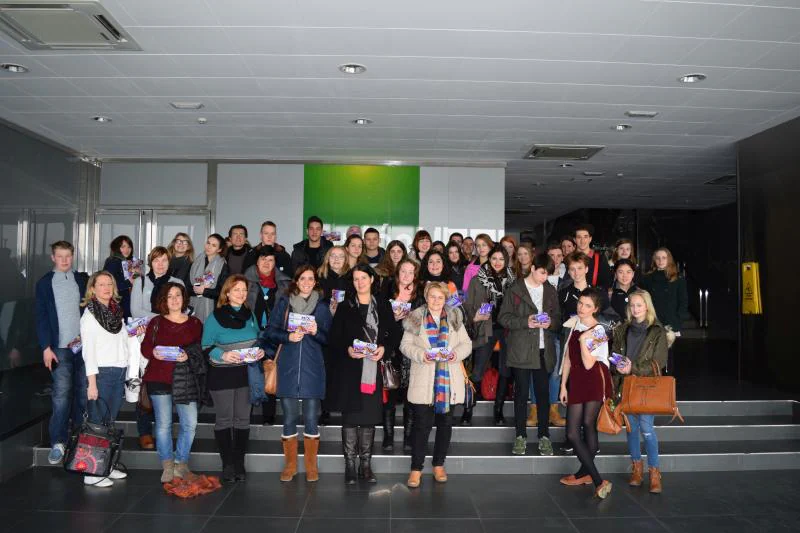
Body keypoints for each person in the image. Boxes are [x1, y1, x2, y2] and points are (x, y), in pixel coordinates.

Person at [400, 282, 472, 488]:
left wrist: (455, 354)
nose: (436, 301)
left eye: (440, 297)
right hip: (423, 379)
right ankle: (416, 469)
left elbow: (466, 344)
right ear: (426, 296)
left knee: (445, 425)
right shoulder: (415, 317)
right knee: (421, 426)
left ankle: (439, 464)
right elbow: (405, 346)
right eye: (432, 296)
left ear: (445, 298)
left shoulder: (455, 317)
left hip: (448, 381)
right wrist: (422, 355)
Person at [327, 264, 395, 484]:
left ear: (372, 279)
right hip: (350, 370)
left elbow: (394, 333)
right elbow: (335, 338)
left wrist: (384, 348)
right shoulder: (345, 306)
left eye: (364, 278)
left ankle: (365, 465)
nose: (360, 282)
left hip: (373, 370)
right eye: (356, 279)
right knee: (350, 419)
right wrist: (347, 349)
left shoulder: (383, 304)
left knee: (368, 419)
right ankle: (349, 466)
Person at [267, 265, 333, 483]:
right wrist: (288, 337)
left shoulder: (322, 307)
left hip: (313, 368)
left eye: (310, 278)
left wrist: (316, 332)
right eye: (302, 278)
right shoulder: (284, 304)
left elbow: (329, 339)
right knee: (289, 417)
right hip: (288, 367)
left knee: (312, 418)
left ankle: (311, 466)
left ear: (315, 282)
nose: (306, 282)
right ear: (296, 281)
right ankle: (291, 465)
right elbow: (270, 331)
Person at [202, 274, 265, 482]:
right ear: (227, 293)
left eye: (244, 290)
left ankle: (239, 462)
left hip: (246, 374)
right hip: (222, 375)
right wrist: (223, 355)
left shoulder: (250, 315)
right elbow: (205, 346)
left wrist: (259, 351)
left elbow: (258, 339)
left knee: (243, 419)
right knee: (225, 419)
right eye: (236, 289)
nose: (241, 293)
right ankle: (227, 463)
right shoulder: (215, 317)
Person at [140, 282, 205, 483]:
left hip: (186, 379)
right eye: (170, 296)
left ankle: (181, 464)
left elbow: (200, 350)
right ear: (163, 300)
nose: (174, 299)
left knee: (190, 423)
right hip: (159, 378)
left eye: (178, 295)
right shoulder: (156, 322)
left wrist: (188, 356)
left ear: (184, 298)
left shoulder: (195, 324)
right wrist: (154, 353)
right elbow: (145, 348)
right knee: (163, 425)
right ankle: (167, 465)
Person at [499, 253, 560, 456]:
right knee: (521, 395)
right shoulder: (515, 289)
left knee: (543, 395)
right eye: (542, 272)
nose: (545, 277)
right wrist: (526, 321)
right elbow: (504, 318)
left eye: (548, 274)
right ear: (533, 268)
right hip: (521, 349)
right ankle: (520, 436)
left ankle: (544, 436)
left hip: (544, 349)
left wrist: (550, 323)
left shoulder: (550, 290)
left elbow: (558, 318)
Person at [35, 241, 88, 466]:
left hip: (84, 347)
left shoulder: (82, 280)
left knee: (83, 394)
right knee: (61, 394)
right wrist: (45, 347)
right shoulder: (45, 283)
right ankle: (58, 441)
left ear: (73, 256)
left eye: (68, 256)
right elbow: (41, 317)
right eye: (60, 256)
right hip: (59, 348)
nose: (65, 260)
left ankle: (79, 439)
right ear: (53, 257)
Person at [558, 288, 614, 499]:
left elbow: (589, 363)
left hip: (593, 380)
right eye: (580, 303)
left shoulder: (599, 331)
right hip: (577, 380)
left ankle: (597, 480)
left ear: (596, 309)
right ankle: (586, 473)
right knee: (577, 430)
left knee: (580, 429)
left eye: (587, 305)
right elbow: (568, 358)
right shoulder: (575, 324)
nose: (581, 308)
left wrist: (584, 341)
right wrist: (563, 385)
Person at [611, 289, 668, 494]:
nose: (635, 309)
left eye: (639, 305)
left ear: (647, 306)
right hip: (625, 385)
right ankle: (636, 468)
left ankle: (654, 472)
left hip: (646, 387)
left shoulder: (657, 331)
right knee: (631, 430)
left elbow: (658, 363)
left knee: (646, 428)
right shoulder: (622, 329)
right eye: (632, 305)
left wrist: (632, 367)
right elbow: (614, 355)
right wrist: (616, 365)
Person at [130, 246, 184, 450]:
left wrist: (167, 319)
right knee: (145, 385)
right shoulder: (141, 281)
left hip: (171, 339)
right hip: (146, 339)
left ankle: (166, 430)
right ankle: (144, 432)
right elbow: (136, 311)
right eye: (156, 260)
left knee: (168, 384)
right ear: (150, 262)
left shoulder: (177, 283)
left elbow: (183, 307)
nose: (160, 264)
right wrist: (163, 319)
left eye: (164, 260)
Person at [80, 271, 129, 487]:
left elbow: (123, 342)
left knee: (109, 424)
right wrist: (91, 384)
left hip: (118, 373)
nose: (107, 288)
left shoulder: (116, 312)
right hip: (101, 374)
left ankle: (106, 465)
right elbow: (88, 353)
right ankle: (92, 472)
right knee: (96, 424)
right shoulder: (90, 315)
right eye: (101, 284)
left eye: (110, 284)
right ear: (93, 288)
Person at [463, 245, 515, 425]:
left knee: (505, 370)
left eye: (501, 259)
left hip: (507, 330)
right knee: (477, 370)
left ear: (506, 261)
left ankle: (498, 410)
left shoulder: (514, 280)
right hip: (486, 329)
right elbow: (467, 306)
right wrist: (474, 316)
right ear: (489, 260)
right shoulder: (478, 280)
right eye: (494, 259)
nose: (497, 262)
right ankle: (468, 409)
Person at [245, 246, 291, 425]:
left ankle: (268, 415)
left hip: (273, 334)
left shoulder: (285, 283)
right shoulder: (245, 281)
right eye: (263, 259)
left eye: (270, 260)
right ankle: (246, 413)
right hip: (250, 332)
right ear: (257, 262)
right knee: (248, 372)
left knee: (269, 369)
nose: (266, 263)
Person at [384, 258, 420, 452]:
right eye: (403, 272)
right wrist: (393, 316)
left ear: (415, 276)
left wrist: (408, 320)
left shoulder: (419, 297)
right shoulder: (387, 293)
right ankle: (388, 437)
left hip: (411, 353)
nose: (406, 276)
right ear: (397, 274)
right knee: (388, 396)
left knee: (409, 397)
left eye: (410, 272)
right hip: (390, 352)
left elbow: (422, 326)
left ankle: (408, 437)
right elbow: (378, 322)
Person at [639, 247, 687, 374]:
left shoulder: (677, 279)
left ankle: (667, 386)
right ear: (654, 260)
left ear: (669, 259)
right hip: (652, 322)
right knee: (650, 354)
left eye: (664, 258)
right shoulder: (647, 279)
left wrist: (678, 321)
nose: (660, 261)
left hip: (670, 323)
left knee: (668, 357)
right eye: (658, 258)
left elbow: (683, 302)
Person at [189, 233, 229, 323]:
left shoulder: (222, 265)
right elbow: (188, 285)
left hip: (213, 309)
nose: (209, 247)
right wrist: (196, 290)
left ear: (219, 249)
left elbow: (223, 292)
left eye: (213, 245)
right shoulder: (197, 261)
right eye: (208, 243)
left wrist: (204, 291)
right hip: (193, 305)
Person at [103, 235, 139, 318]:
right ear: (116, 248)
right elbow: (107, 284)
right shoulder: (113, 261)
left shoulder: (127, 262)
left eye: (129, 247)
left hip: (125, 300)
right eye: (123, 247)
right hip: (117, 302)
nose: (127, 250)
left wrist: (136, 274)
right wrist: (129, 282)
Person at [574, 224, 612, 289]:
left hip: (593, 296)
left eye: (585, 237)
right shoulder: (570, 258)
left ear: (590, 239)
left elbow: (606, 283)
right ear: (574, 240)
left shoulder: (600, 259)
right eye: (579, 237)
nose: (582, 241)